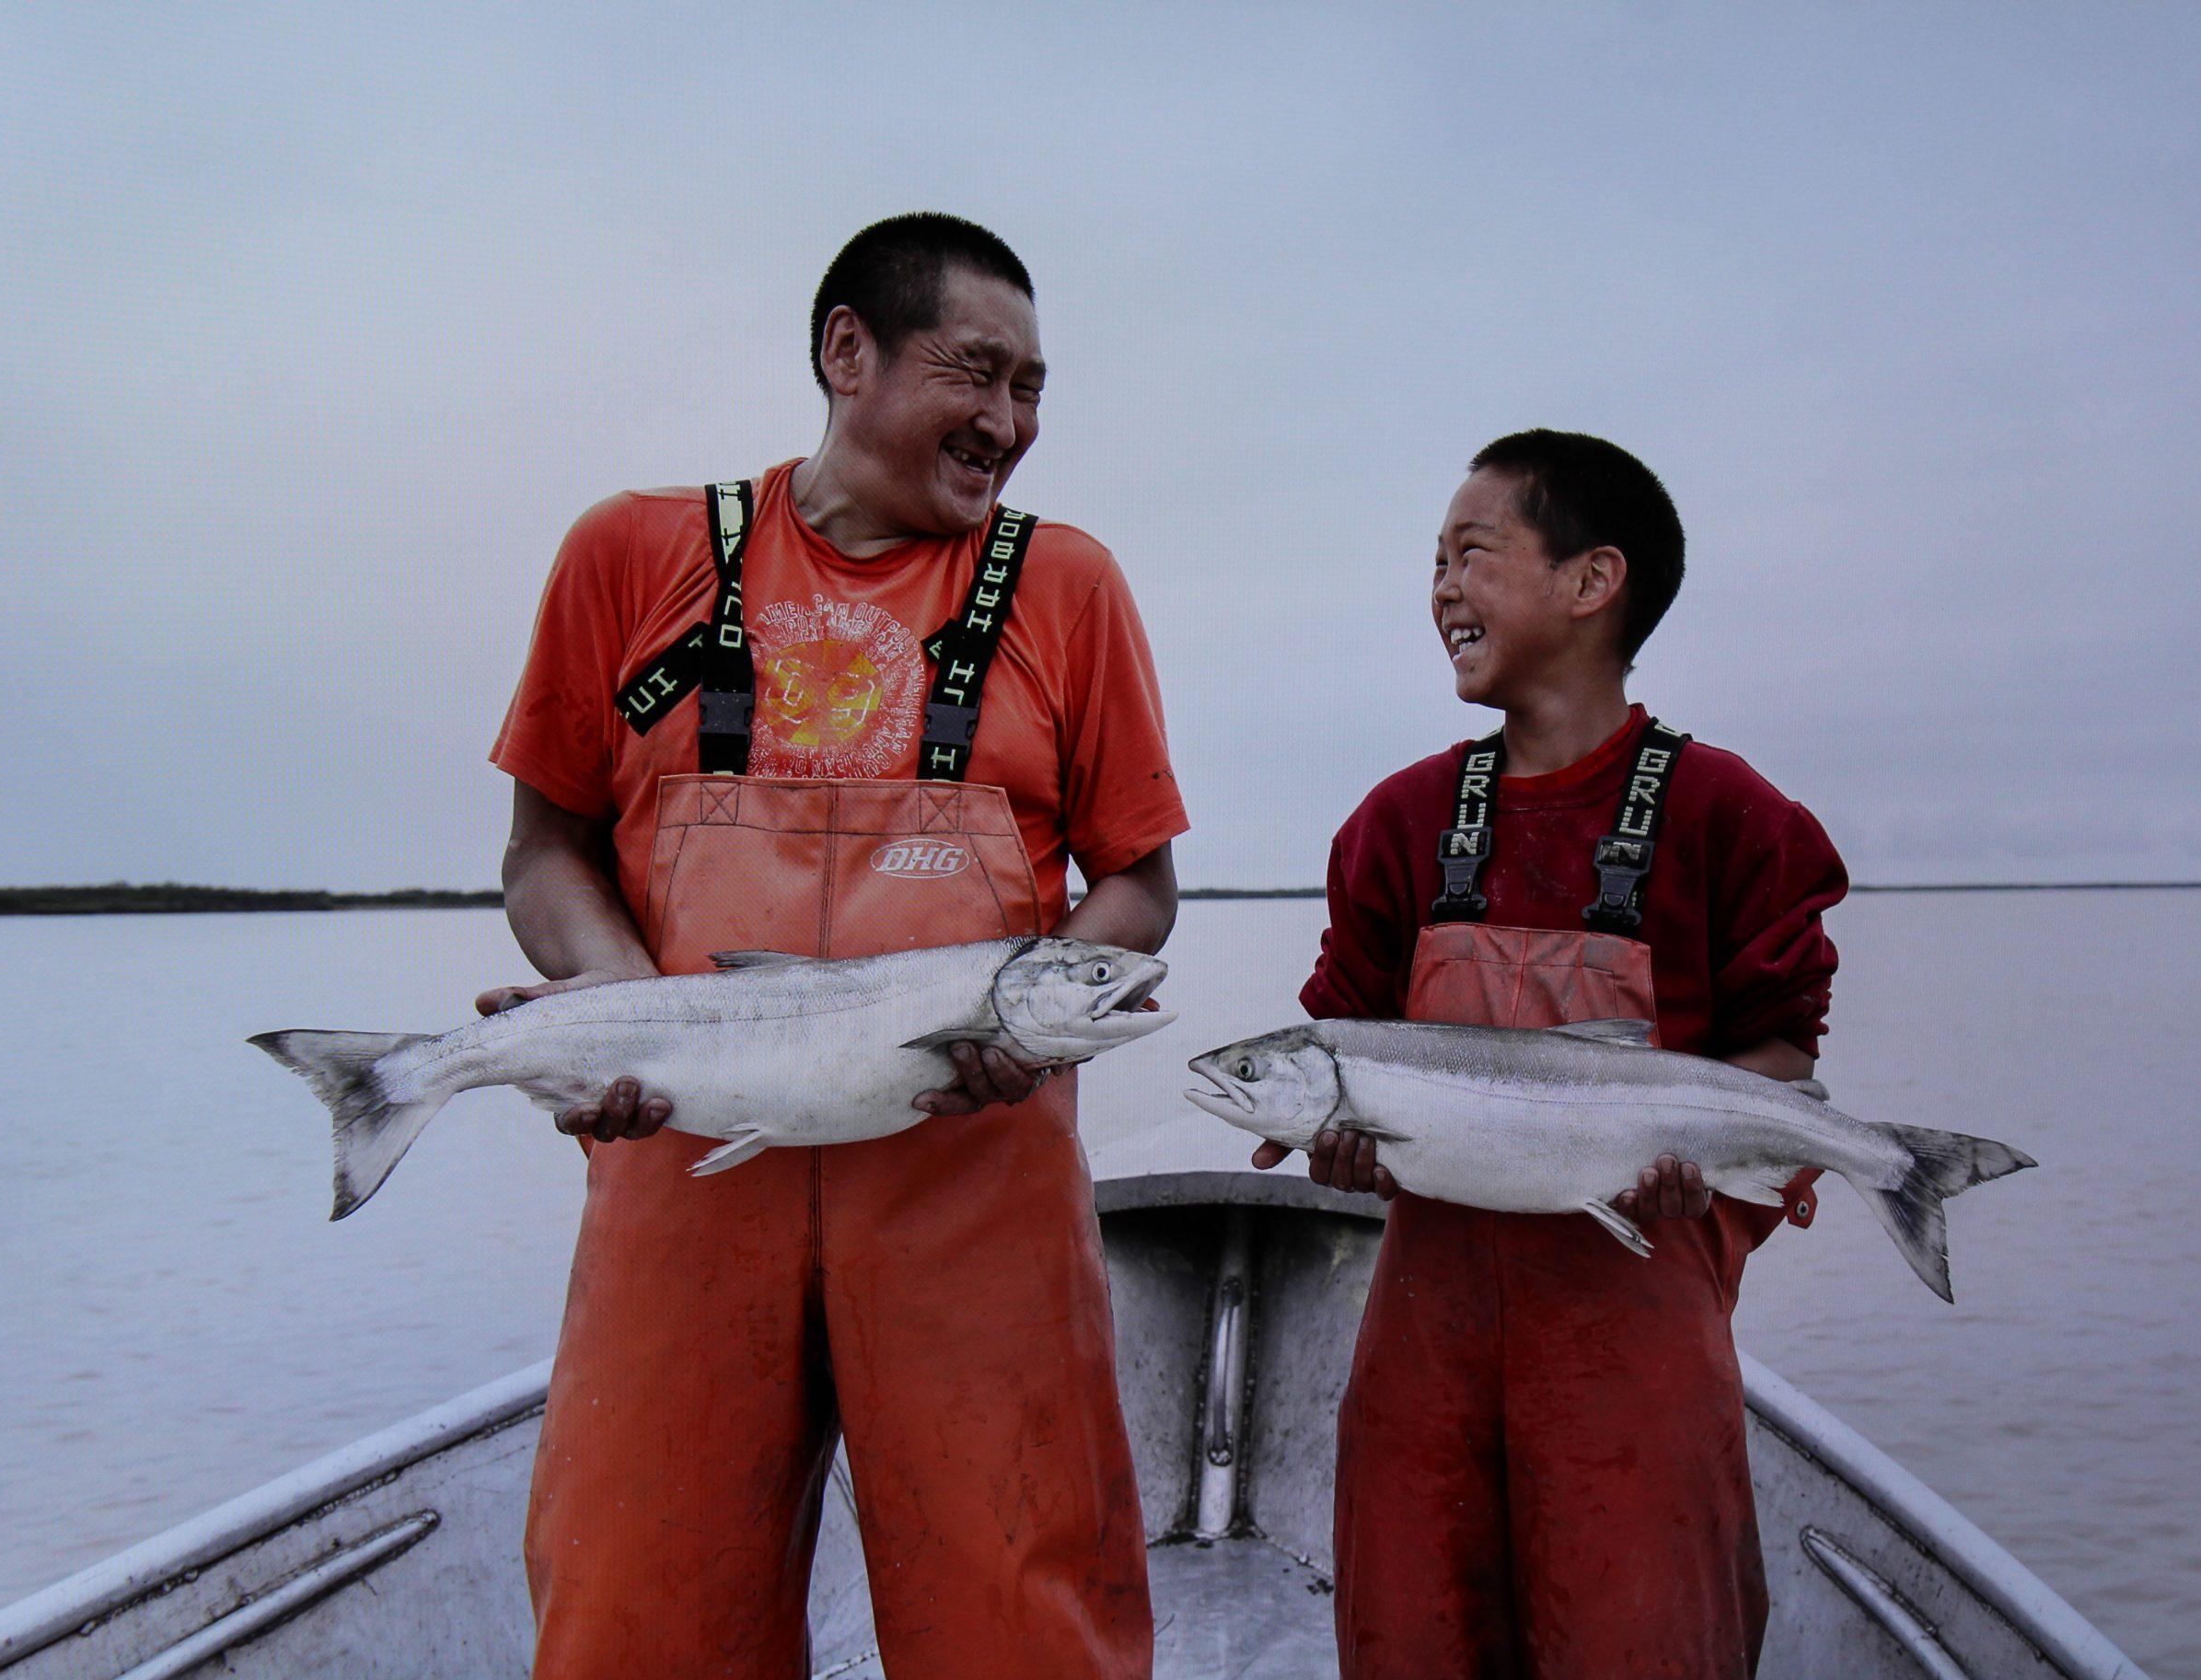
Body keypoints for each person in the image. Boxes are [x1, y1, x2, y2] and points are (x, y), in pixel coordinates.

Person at [483, 213, 1186, 1678]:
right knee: (637, 1620)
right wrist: (616, 1011)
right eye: (977, 373)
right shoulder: (631, 554)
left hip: (970, 1180)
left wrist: (1032, 1008)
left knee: (1023, 1624)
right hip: (686, 1168)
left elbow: (1137, 885)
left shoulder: (1068, 588)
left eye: (1033, 389)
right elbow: (545, 850)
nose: (1008, 423)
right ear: (845, 350)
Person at [1253, 430, 1848, 1678]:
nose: (1441, 590)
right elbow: (1338, 1024)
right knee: (1410, 1640)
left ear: (1593, 581)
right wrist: (1339, 1150)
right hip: (1422, 1363)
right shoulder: (1398, 823)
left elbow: (1781, 1053)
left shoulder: (1730, 816)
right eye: (1432, 563)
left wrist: (1707, 1159)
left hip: (1636, 1361)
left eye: (1471, 554)